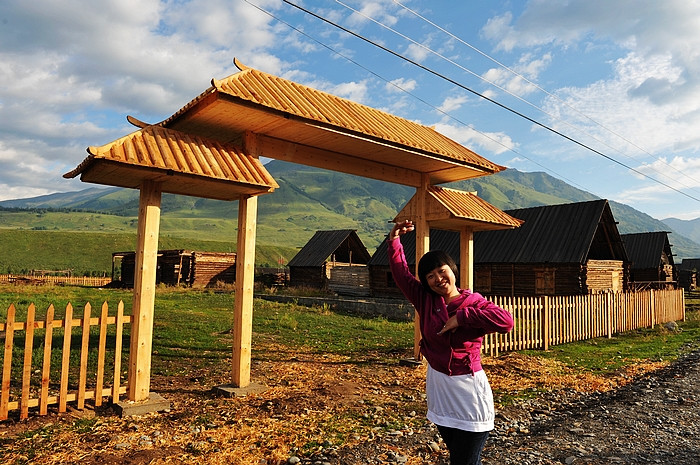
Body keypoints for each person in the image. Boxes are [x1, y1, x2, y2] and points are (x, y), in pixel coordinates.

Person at [387, 220, 514, 465]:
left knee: (466, 459)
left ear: (452, 270)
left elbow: (506, 322)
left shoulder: (474, 302)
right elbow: (401, 273)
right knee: (457, 455)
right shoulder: (424, 299)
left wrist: (463, 317)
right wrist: (394, 240)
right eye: (430, 276)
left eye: (441, 270)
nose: (438, 278)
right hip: (439, 385)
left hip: (467, 387)